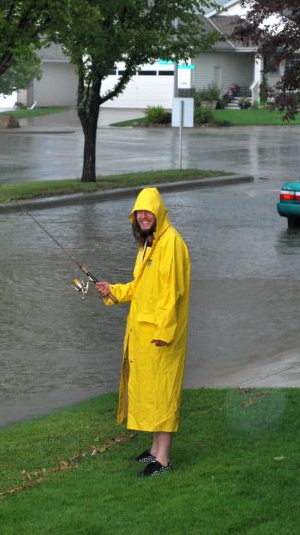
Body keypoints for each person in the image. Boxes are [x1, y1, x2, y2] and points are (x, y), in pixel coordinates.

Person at [95, 187, 191, 477]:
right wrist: (113, 291)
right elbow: (141, 287)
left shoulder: (170, 243)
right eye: (140, 212)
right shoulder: (148, 244)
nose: (144, 216)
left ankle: (163, 460)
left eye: (149, 211)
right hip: (146, 335)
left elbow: (171, 292)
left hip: (161, 336)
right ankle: (154, 449)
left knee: (162, 393)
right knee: (152, 392)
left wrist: (164, 330)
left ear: (159, 212)